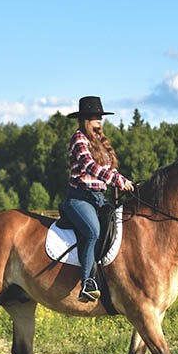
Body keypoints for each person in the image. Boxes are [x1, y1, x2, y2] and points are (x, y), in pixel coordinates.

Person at [61, 96, 134, 303]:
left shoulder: (100, 141)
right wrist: (116, 181)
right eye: (95, 118)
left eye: (100, 118)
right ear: (85, 120)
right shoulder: (78, 139)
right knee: (93, 231)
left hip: (99, 198)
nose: (99, 122)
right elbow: (89, 166)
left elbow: (109, 169)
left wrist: (124, 181)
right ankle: (87, 283)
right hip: (79, 198)